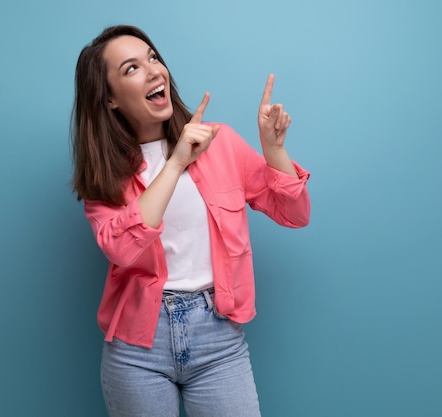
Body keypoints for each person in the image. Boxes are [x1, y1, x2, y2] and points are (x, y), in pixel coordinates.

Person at [71, 24, 310, 417]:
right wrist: (176, 160)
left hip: (218, 340)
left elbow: (295, 214)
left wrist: (274, 150)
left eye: (152, 57)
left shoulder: (220, 143)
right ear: (110, 99)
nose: (152, 71)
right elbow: (121, 248)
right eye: (131, 68)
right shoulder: (104, 177)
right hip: (138, 349)